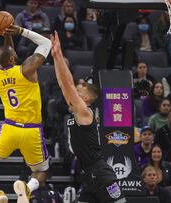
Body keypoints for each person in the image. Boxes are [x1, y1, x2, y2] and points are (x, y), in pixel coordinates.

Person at [51, 31, 126, 203]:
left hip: (100, 174)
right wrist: (56, 57)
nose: (79, 85)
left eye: (83, 86)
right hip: (89, 174)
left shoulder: (84, 111)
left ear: (86, 98)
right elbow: (64, 83)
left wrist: (60, 55)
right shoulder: (78, 108)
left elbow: (68, 84)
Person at [0, 24, 51, 203]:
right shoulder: (26, 70)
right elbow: (46, 43)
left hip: (10, 128)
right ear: (13, 58)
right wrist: (21, 31)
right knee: (41, 171)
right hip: (32, 130)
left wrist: (6, 35)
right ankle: (27, 188)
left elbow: (6, 54)